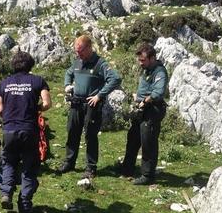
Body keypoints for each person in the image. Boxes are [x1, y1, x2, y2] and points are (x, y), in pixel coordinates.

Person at [0, 51, 51, 213]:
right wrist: (37, 109)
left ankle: (6, 193)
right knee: (29, 167)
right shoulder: (38, 81)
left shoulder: (4, 83)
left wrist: (8, 117)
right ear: (30, 64)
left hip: (10, 130)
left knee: (9, 162)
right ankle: (25, 203)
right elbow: (47, 103)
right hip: (29, 130)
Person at [58, 35, 122, 179]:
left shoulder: (100, 63)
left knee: (90, 136)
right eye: (76, 51)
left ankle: (91, 167)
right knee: (72, 132)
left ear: (89, 48)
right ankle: (69, 162)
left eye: (80, 51)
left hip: (91, 104)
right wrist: (68, 85)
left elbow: (115, 78)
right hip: (76, 103)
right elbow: (68, 73)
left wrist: (99, 95)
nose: (78, 54)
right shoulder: (77, 62)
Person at [120, 43, 168, 185]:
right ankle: (127, 169)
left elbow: (158, 92)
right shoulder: (146, 70)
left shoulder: (159, 72)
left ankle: (147, 175)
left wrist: (145, 100)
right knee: (133, 137)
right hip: (141, 110)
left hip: (152, 110)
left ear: (152, 58)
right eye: (139, 60)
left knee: (148, 142)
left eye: (143, 60)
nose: (140, 63)